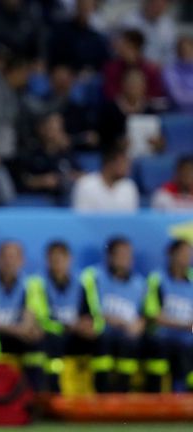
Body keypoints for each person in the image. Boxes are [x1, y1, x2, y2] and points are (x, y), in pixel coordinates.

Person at [0, 241, 45, 389]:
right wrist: (17, 330)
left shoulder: (30, 283)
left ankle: (33, 394)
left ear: (22, 260)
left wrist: (27, 329)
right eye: (4, 257)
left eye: (13, 257)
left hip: (16, 334)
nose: (8, 262)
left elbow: (30, 314)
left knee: (37, 340)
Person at [81, 237, 148, 392]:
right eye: (121, 254)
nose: (126, 259)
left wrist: (139, 325)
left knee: (133, 343)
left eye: (128, 255)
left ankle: (123, 393)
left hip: (127, 334)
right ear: (109, 256)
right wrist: (111, 320)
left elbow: (145, 313)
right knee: (103, 341)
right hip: (100, 331)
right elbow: (90, 308)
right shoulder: (92, 276)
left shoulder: (140, 283)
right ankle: (102, 394)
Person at [25, 241, 93, 393]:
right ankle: (53, 391)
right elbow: (40, 317)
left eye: (61, 258)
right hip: (52, 333)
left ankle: (104, 394)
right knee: (50, 341)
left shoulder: (82, 283)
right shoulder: (37, 283)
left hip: (75, 333)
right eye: (53, 258)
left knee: (101, 340)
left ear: (69, 259)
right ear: (47, 260)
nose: (57, 262)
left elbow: (90, 313)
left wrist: (87, 325)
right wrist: (67, 326)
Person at [145, 239, 193, 392]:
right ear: (171, 254)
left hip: (188, 338)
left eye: (189, 254)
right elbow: (153, 314)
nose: (187, 258)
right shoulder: (157, 279)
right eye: (183, 253)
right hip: (163, 337)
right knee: (170, 350)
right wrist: (185, 325)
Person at [71, 146, 139, 212]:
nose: (127, 167)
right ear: (110, 164)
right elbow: (81, 219)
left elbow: (131, 220)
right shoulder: (85, 184)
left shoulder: (129, 187)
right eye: (123, 162)